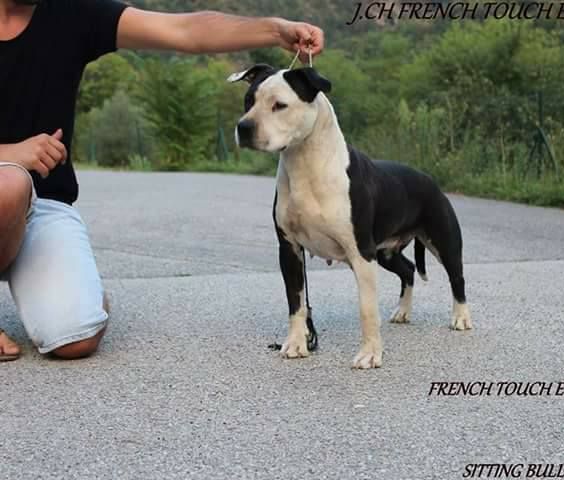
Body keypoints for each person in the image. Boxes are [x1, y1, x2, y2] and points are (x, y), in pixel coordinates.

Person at [0, 0, 324, 361]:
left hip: (41, 205)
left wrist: (275, 30)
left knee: (74, 337)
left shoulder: (71, 13)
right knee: (8, 184)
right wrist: (10, 154)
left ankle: (81, 294)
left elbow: (185, 30)